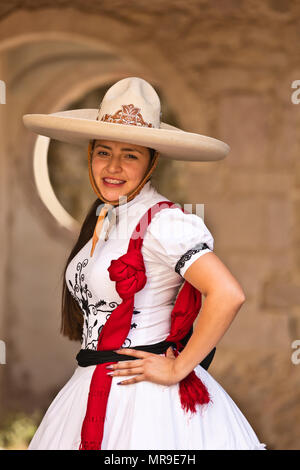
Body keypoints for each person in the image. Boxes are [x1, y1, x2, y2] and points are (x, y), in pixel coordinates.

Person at [22, 77, 267, 450]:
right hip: (87, 385)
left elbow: (227, 293)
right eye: (104, 152)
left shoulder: (165, 222)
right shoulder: (105, 217)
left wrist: (178, 367)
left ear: (151, 163)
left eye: (130, 155)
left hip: (144, 402)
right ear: (90, 154)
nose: (113, 166)